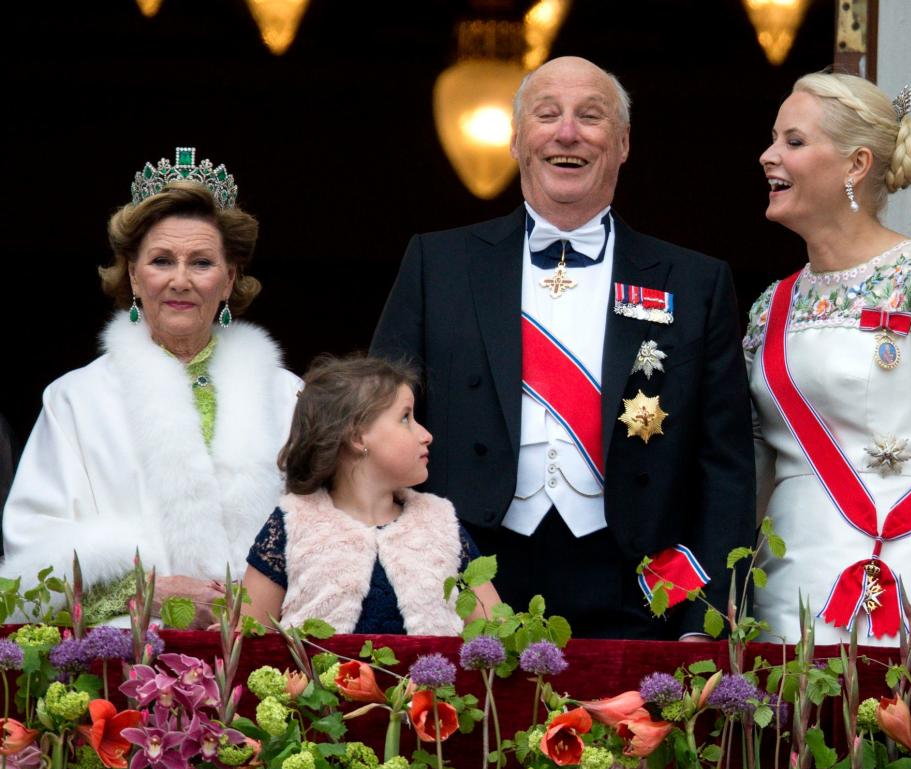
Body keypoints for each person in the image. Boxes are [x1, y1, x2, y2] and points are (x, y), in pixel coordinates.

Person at [371, 56, 754, 640]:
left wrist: (700, 618)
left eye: (590, 117)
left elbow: (723, 462)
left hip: (638, 585)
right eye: (547, 115)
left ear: (623, 144)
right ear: (516, 138)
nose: (567, 133)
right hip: (469, 576)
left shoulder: (694, 282)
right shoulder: (438, 264)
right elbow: (380, 427)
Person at [746, 72, 911, 648]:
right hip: (784, 592)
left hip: (906, 582)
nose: (768, 156)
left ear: (855, 164)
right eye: (773, 139)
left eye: (793, 141)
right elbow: (755, 472)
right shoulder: (770, 307)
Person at [1, 148, 301, 626]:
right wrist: (149, 591)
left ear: (229, 281)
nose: (180, 280)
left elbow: (335, 532)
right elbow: (33, 556)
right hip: (123, 665)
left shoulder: (288, 396)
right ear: (134, 276)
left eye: (201, 263)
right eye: (162, 261)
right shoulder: (74, 400)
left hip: (269, 660)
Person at [242, 356, 500, 634]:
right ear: (357, 438)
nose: (426, 434)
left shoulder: (441, 528)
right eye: (405, 418)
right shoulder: (293, 525)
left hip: (433, 679)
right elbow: (249, 645)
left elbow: (493, 632)